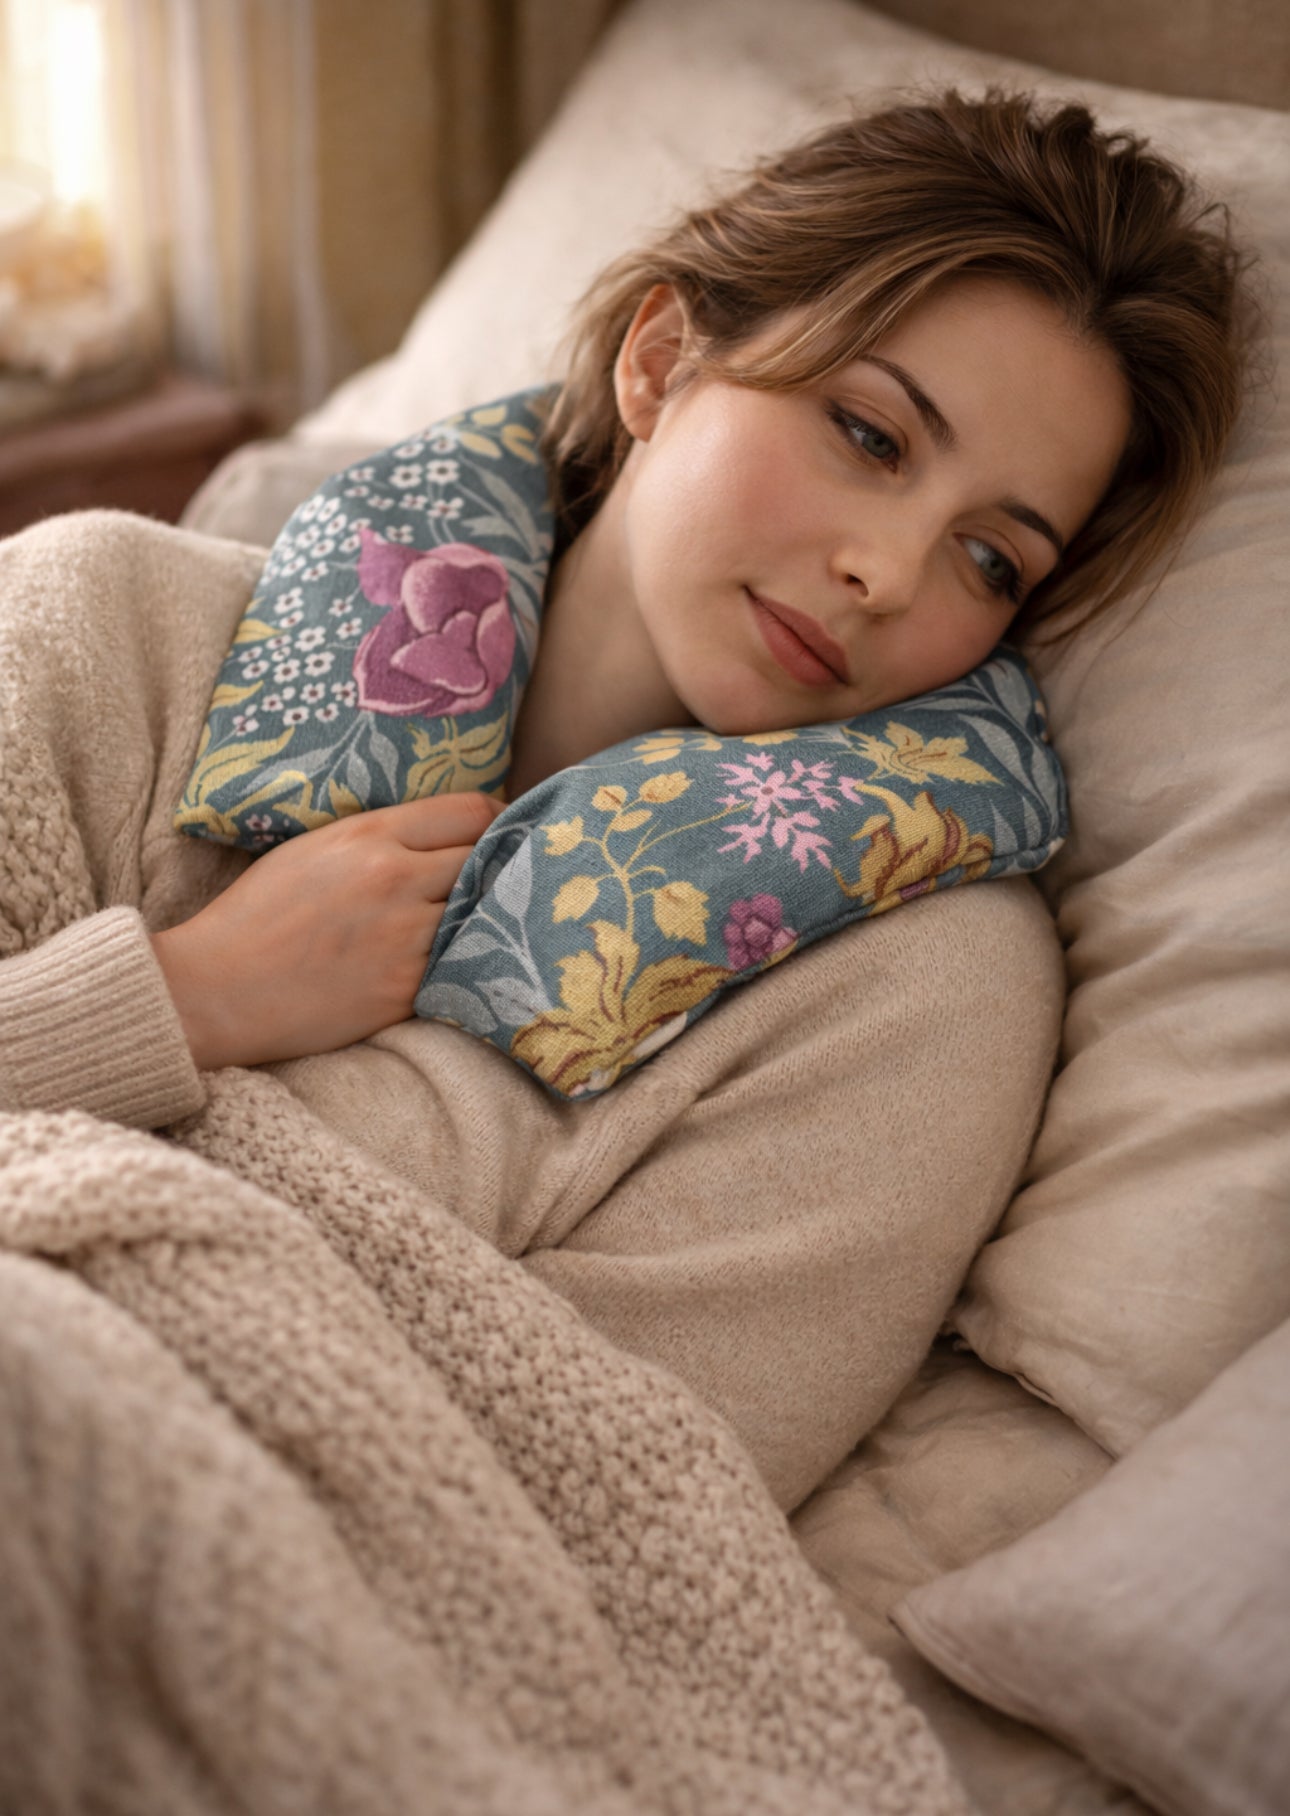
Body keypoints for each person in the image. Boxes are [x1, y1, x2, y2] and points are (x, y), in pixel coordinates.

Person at [0, 90, 1254, 1507]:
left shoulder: (926, 992)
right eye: (870, 435)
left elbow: (623, 1506)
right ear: (660, 362)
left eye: (990, 561)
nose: (890, 572)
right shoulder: (103, 617)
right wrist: (179, 999)